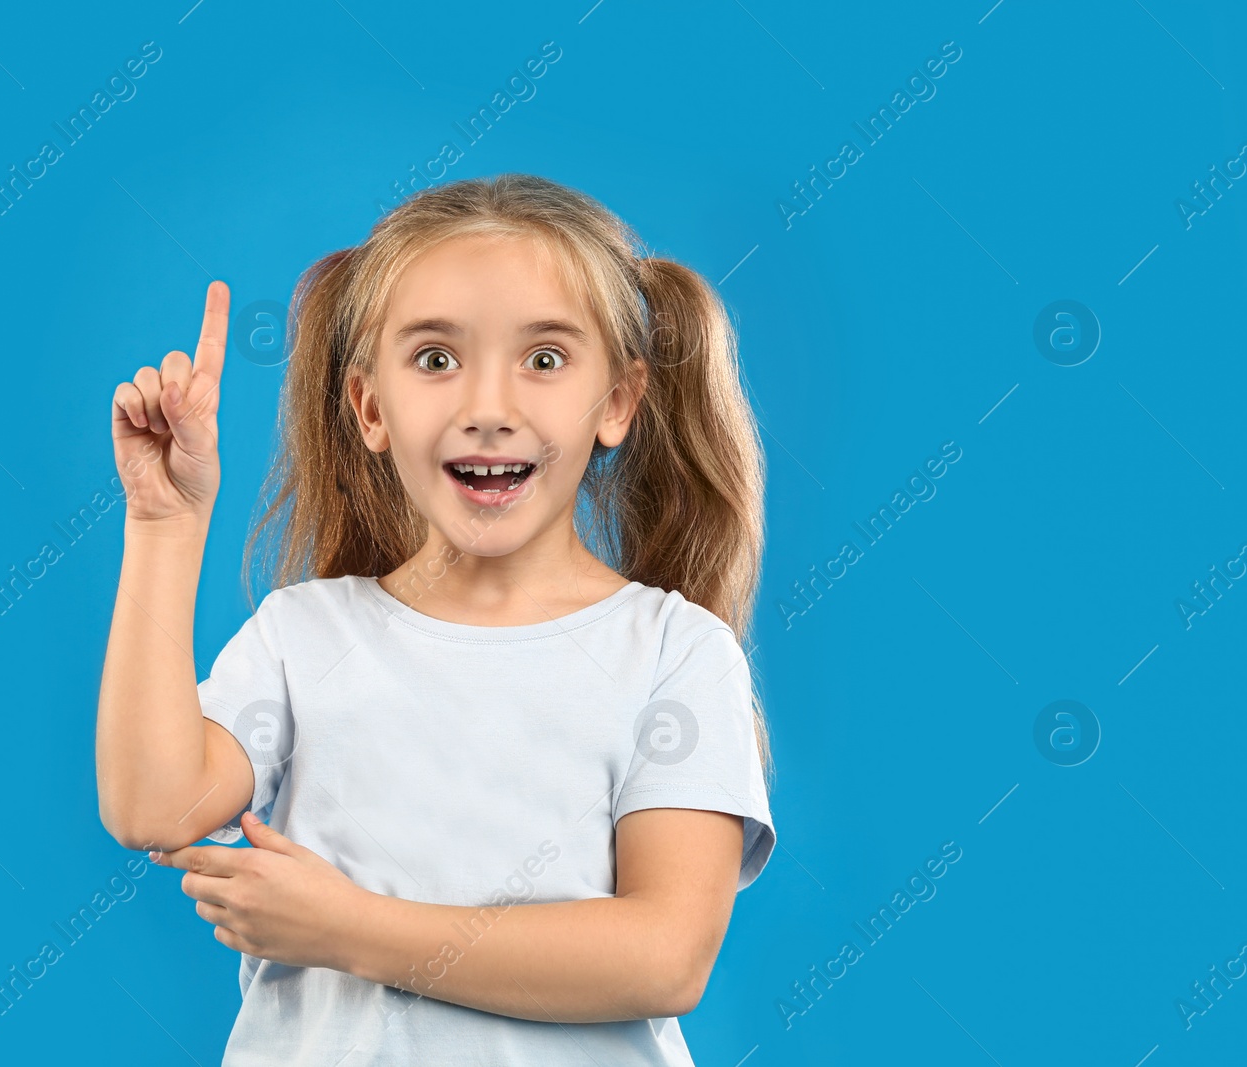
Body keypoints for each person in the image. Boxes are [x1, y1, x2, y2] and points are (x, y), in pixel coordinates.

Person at [96, 173, 776, 1065]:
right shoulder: (305, 637)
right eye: (435, 358)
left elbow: (665, 956)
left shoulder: (675, 651)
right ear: (370, 407)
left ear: (618, 401)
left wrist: (350, 928)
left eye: (543, 359)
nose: (487, 410)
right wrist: (164, 523)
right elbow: (153, 805)